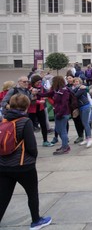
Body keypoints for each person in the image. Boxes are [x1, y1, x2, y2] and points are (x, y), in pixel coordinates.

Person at [0, 94, 52, 230]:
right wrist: (33, 159)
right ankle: (36, 221)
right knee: (32, 193)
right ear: (26, 106)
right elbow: (31, 146)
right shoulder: (24, 121)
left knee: (3, 196)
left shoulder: (3, 120)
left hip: (4, 165)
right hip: (24, 165)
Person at [37, 76, 72, 155]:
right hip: (57, 112)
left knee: (62, 131)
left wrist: (60, 114)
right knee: (59, 130)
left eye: (53, 81)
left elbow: (64, 104)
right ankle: (65, 145)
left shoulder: (64, 91)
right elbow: (47, 94)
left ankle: (65, 147)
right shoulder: (57, 90)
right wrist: (37, 93)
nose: (52, 83)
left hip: (63, 114)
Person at [28, 75, 52, 147]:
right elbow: (29, 99)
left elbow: (45, 94)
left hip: (40, 108)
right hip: (31, 109)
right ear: (34, 82)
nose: (39, 84)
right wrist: (38, 100)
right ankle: (30, 143)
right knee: (30, 127)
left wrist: (44, 98)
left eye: (40, 82)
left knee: (43, 125)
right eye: (38, 82)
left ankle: (45, 140)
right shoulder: (29, 88)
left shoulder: (41, 88)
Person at [71, 78, 92, 148]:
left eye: (77, 81)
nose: (75, 83)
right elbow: (72, 93)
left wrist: (85, 87)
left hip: (85, 107)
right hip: (81, 107)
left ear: (80, 82)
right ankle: (87, 138)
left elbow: (75, 96)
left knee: (85, 123)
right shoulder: (77, 89)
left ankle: (90, 138)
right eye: (74, 82)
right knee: (84, 123)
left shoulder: (82, 89)